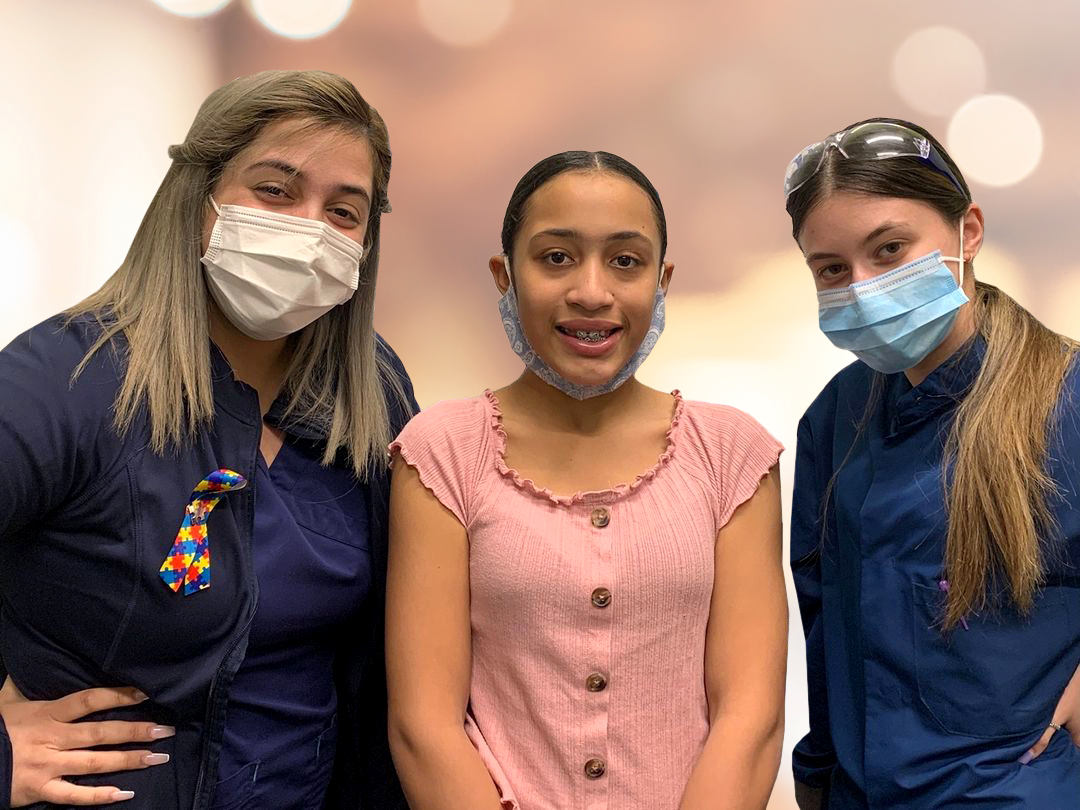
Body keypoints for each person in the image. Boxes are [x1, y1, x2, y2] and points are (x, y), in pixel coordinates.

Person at [0, 70, 416, 809]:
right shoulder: (68, 379)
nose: (310, 229)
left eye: (344, 211)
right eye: (275, 191)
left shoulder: (371, 393)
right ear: (199, 197)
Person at [384, 150, 787, 809]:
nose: (592, 292)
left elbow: (750, 715)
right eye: (556, 258)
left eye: (625, 261)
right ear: (504, 278)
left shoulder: (731, 453)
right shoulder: (441, 452)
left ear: (663, 281)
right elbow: (423, 726)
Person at [784, 118, 1080, 808]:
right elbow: (825, 625)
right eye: (831, 269)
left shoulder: (1064, 400)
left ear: (967, 232)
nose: (860, 287)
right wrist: (817, 778)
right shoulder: (837, 418)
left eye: (889, 250)